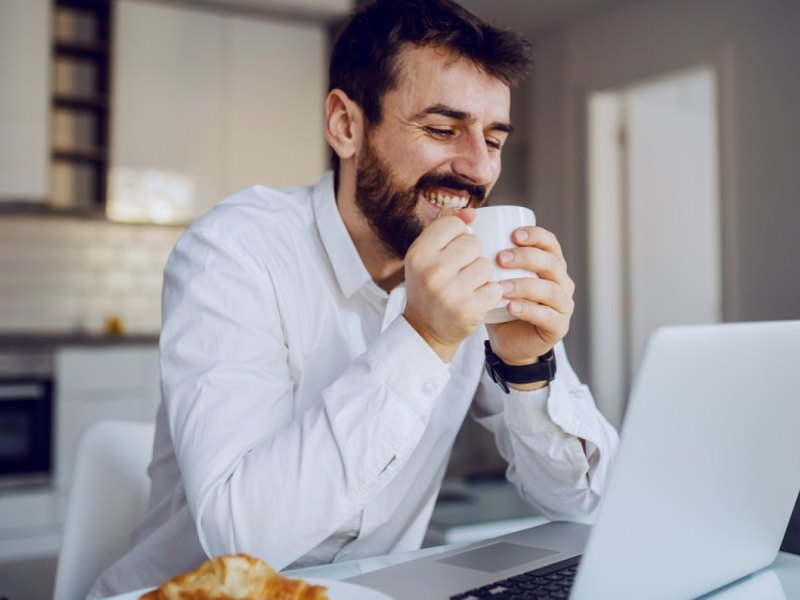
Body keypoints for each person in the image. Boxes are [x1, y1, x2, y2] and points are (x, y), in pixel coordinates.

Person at [89, 0, 618, 595]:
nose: (477, 169)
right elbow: (242, 541)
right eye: (442, 130)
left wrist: (527, 369)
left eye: (492, 139)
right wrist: (423, 339)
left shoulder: (476, 269)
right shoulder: (234, 251)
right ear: (346, 125)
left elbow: (581, 503)